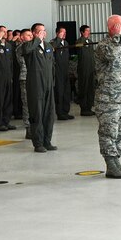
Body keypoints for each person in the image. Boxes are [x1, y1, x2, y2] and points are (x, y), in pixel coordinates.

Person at [94, 15, 121, 179]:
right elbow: (111, 56)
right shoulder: (104, 46)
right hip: (108, 98)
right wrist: (116, 36)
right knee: (108, 131)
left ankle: (116, 161)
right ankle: (110, 164)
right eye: (120, 25)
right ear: (112, 27)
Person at [22, 23, 57, 153]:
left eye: (44, 31)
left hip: (48, 84)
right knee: (37, 113)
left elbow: (52, 64)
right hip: (35, 84)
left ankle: (47, 141)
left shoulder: (48, 46)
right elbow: (26, 51)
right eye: (41, 31)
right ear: (35, 33)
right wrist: (36, 40)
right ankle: (38, 143)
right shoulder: (28, 45)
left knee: (49, 114)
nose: (44, 33)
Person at [51, 26, 73, 121]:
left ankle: (65, 111)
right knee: (59, 92)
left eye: (65, 32)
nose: (64, 34)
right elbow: (52, 48)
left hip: (65, 71)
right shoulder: (53, 42)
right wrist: (59, 39)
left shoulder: (66, 43)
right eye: (62, 32)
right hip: (58, 71)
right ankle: (60, 113)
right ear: (57, 33)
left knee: (66, 92)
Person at [76, 25, 97, 117]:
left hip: (91, 68)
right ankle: (83, 108)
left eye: (89, 30)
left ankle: (89, 107)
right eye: (87, 31)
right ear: (82, 32)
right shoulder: (79, 41)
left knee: (91, 87)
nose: (89, 32)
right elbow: (78, 46)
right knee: (84, 87)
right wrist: (83, 41)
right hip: (83, 69)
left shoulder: (90, 42)